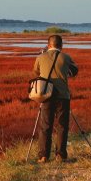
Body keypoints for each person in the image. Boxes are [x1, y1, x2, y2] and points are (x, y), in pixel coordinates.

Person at [33, 35, 78, 163]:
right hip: (63, 96)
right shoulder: (66, 57)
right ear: (61, 45)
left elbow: (36, 72)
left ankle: (43, 156)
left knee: (45, 126)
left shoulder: (41, 57)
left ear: (48, 45)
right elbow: (75, 70)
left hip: (46, 95)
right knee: (62, 126)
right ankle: (60, 155)